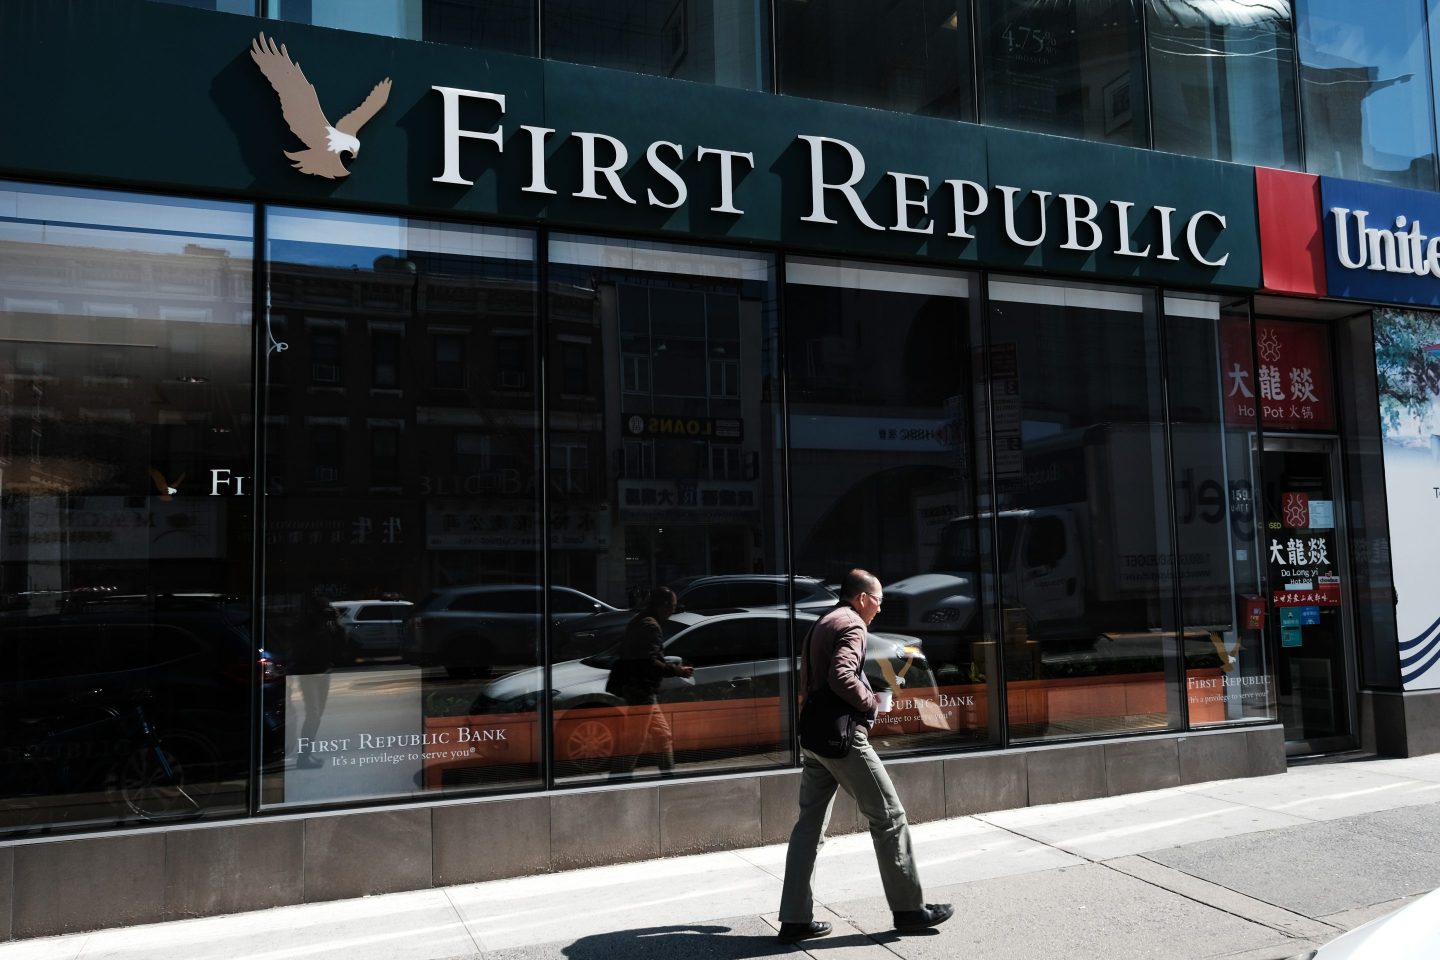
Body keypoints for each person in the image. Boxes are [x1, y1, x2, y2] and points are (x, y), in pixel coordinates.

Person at [776, 568, 953, 942]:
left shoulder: (823, 621)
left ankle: (794, 919)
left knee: (809, 828)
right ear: (862, 598)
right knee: (890, 817)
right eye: (879, 601)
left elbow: (814, 680)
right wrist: (870, 701)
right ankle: (909, 910)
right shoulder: (853, 624)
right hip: (843, 740)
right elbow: (841, 675)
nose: (880, 609)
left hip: (815, 737)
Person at [606, 586, 694, 778]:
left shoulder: (639, 620)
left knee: (662, 736)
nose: (673, 611)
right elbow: (649, 662)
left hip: (636, 688)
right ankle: (618, 780)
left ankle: (668, 779)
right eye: (673, 606)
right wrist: (677, 670)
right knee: (635, 739)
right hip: (642, 690)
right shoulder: (650, 626)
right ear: (663, 606)